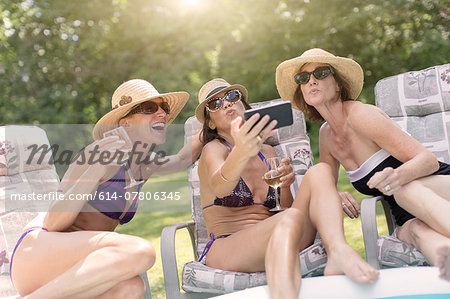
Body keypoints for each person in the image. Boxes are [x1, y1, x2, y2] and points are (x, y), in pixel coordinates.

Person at [10, 79, 202, 298]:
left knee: (132, 288)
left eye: (164, 108)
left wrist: (209, 130)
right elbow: (53, 222)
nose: (162, 113)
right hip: (38, 255)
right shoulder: (96, 154)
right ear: (125, 123)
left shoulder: (144, 164)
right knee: (141, 252)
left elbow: (179, 159)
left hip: (77, 267)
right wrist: (97, 169)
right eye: (149, 108)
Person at [275, 48, 450, 281]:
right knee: (417, 232)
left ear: (338, 85)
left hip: (437, 187)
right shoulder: (326, 136)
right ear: (302, 91)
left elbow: (427, 161)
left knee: (404, 190)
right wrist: (336, 193)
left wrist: (397, 177)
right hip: (404, 214)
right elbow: (325, 186)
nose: (311, 80)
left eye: (321, 72)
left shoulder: (361, 115)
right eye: (303, 78)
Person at [195, 78, 379, 299]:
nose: (226, 104)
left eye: (232, 97)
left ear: (244, 106)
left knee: (320, 171)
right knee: (289, 219)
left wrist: (285, 185)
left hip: (279, 232)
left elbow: (284, 210)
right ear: (211, 123)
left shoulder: (268, 153)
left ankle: (337, 250)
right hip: (229, 246)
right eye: (215, 104)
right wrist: (241, 150)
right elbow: (221, 186)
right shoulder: (213, 150)